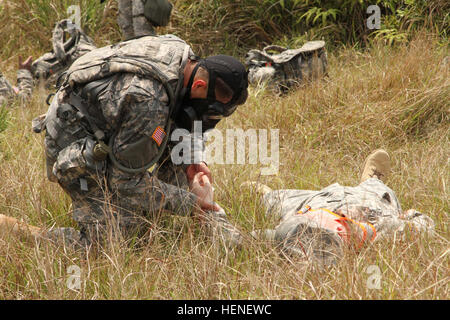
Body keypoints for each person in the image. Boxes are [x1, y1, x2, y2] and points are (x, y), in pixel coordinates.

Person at [31, 33, 248, 249]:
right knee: (115, 242)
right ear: (200, 85)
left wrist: (193, 160)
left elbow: (185, 118)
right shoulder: (149, 102)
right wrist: (189, 203)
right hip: (76, 141)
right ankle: (22, 232)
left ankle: (149, 208)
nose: (209, 118)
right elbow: (125, 182)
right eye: (212, 111)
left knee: (166, 181)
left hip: (117, 126)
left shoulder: (185, 59)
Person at [243, 149, 435, 265]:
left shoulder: (292, 235)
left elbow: (253, 238)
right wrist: (410, 216)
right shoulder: (380, 228)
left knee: (277, 201)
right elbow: (425, 226)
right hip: (367, 203)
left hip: (312, 203)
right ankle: (372, 179)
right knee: (379, 191)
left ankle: (268, 194)